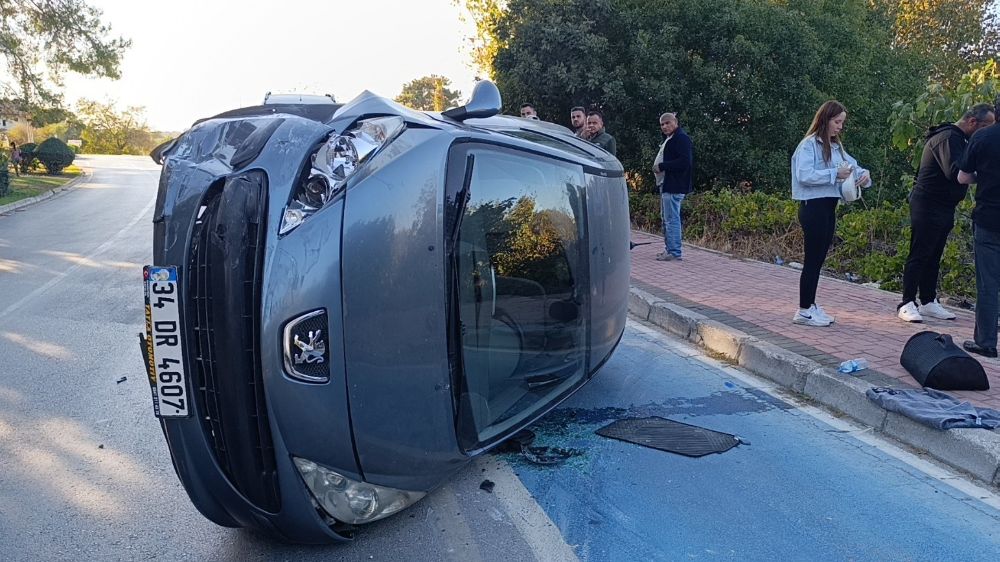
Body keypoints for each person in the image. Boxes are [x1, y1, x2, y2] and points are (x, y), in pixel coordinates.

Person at [897, 104, 996, 323]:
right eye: (987, 126)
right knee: (920, 251)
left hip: (945, 204)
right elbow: (954, 172)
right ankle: (906, 302)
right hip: (927, 202)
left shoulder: (962, 140)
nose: (989, 131)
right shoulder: (948, 137)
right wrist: (987, 173)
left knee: (935, 253)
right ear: (972, 122)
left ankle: (928, 300)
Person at [790, 100, 871, 327]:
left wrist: (864, 176)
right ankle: (804, 310)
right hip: (812, 206)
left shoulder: (836, 148)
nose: (840, 127)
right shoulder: (808, 146)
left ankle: (811, 304)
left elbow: (853, 166)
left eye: (842, 123)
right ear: (825, 120)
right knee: (812, 260)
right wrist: (835, 174)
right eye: (837, 122)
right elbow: (804, 175)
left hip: (828, 206)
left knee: (819, 259)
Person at [958, 118, 1000, 357]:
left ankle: (986, 342)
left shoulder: (982, 137)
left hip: (989, 218)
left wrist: (982, 176)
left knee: (988, 283)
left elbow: (963, 177)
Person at [652, 112, 693, 261]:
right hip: (667, 184)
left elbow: (684, 162)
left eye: (667, 123)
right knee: (667, 219)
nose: (664, 126)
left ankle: (674, 252)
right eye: (662, 124)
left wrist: (662, 166)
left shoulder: (681, 139)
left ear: (675, 122)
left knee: (671, 219)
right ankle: (669, 249)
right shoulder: (670, 139)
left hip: (675, 185)